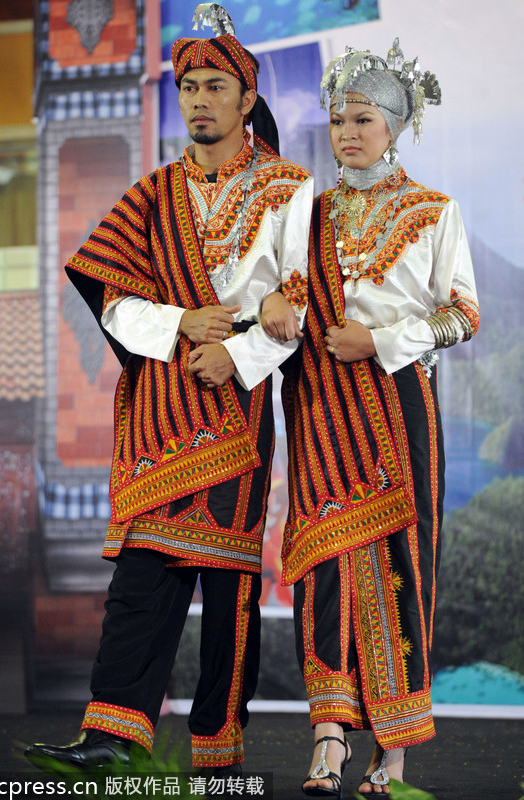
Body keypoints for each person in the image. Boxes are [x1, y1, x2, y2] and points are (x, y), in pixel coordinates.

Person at [25, 3, 312, 775]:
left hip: (237, 415)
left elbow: (304, 296)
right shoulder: (152, 193)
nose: (197, 100)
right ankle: (110, 737)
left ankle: (218, 754)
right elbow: (111, 296)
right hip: (161, 415)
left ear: (246, 99)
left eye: (214, 85)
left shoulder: (290, 189)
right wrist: (186, 323)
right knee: (142, 580)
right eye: (187, 86)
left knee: (227, 590)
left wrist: (240, 354)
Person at [261, 39, 479, 797]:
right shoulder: (305, 217)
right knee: (325, 566)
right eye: (335, 120)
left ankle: (393, 751)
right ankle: (328, 737)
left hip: (398, 412)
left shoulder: (433, 212)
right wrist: (276, 307)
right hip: (321, 407)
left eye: (361, 118)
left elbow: (461, 316)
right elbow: (276, 294)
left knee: (399, 572)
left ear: (393, 125)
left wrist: (380, 340)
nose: (346, 132)